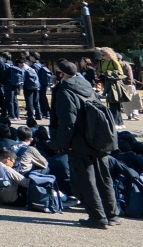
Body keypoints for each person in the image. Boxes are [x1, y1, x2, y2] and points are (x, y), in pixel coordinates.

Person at [50, 59, 120, 229]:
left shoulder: (64, 91)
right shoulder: (87, 86)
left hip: (80, 142)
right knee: (104, 178)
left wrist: (61, 143)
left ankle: (97, 217)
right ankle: (112, 215)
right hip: (99, 139)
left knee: (86, 181)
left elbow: (67, 122)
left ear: (62, 74)